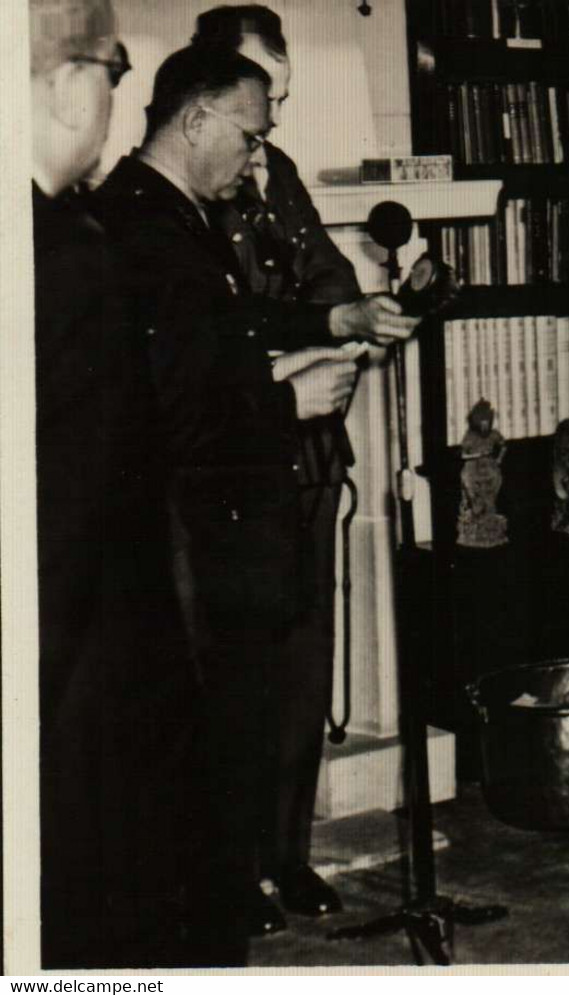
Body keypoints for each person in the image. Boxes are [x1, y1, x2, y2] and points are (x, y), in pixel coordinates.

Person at [94, 43, 415, 964]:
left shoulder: (178, 218)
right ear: (195, 120)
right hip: (181, 544)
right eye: (249, 134)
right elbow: (168, 400)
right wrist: (287, 400)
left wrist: (333, 321)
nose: (258, 157)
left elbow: (227, 330)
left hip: (210, 538)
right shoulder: (143, 231)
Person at [191, 3, 406, 932]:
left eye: (281, 97)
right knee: (233, 673)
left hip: (312, 456)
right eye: (257, 99)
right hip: (237, 461)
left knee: (302, 663)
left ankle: (288, 854)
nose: (271, 121)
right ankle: (228, 864)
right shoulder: (187, 194)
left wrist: (361, 322)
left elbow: (325, 280)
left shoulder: (278, 178)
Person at [31, 0, 197, 968]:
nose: (115, 98)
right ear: (64, 88)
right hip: (84, 714)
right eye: (113, 71)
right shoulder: (69, 258)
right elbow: (67, 531)